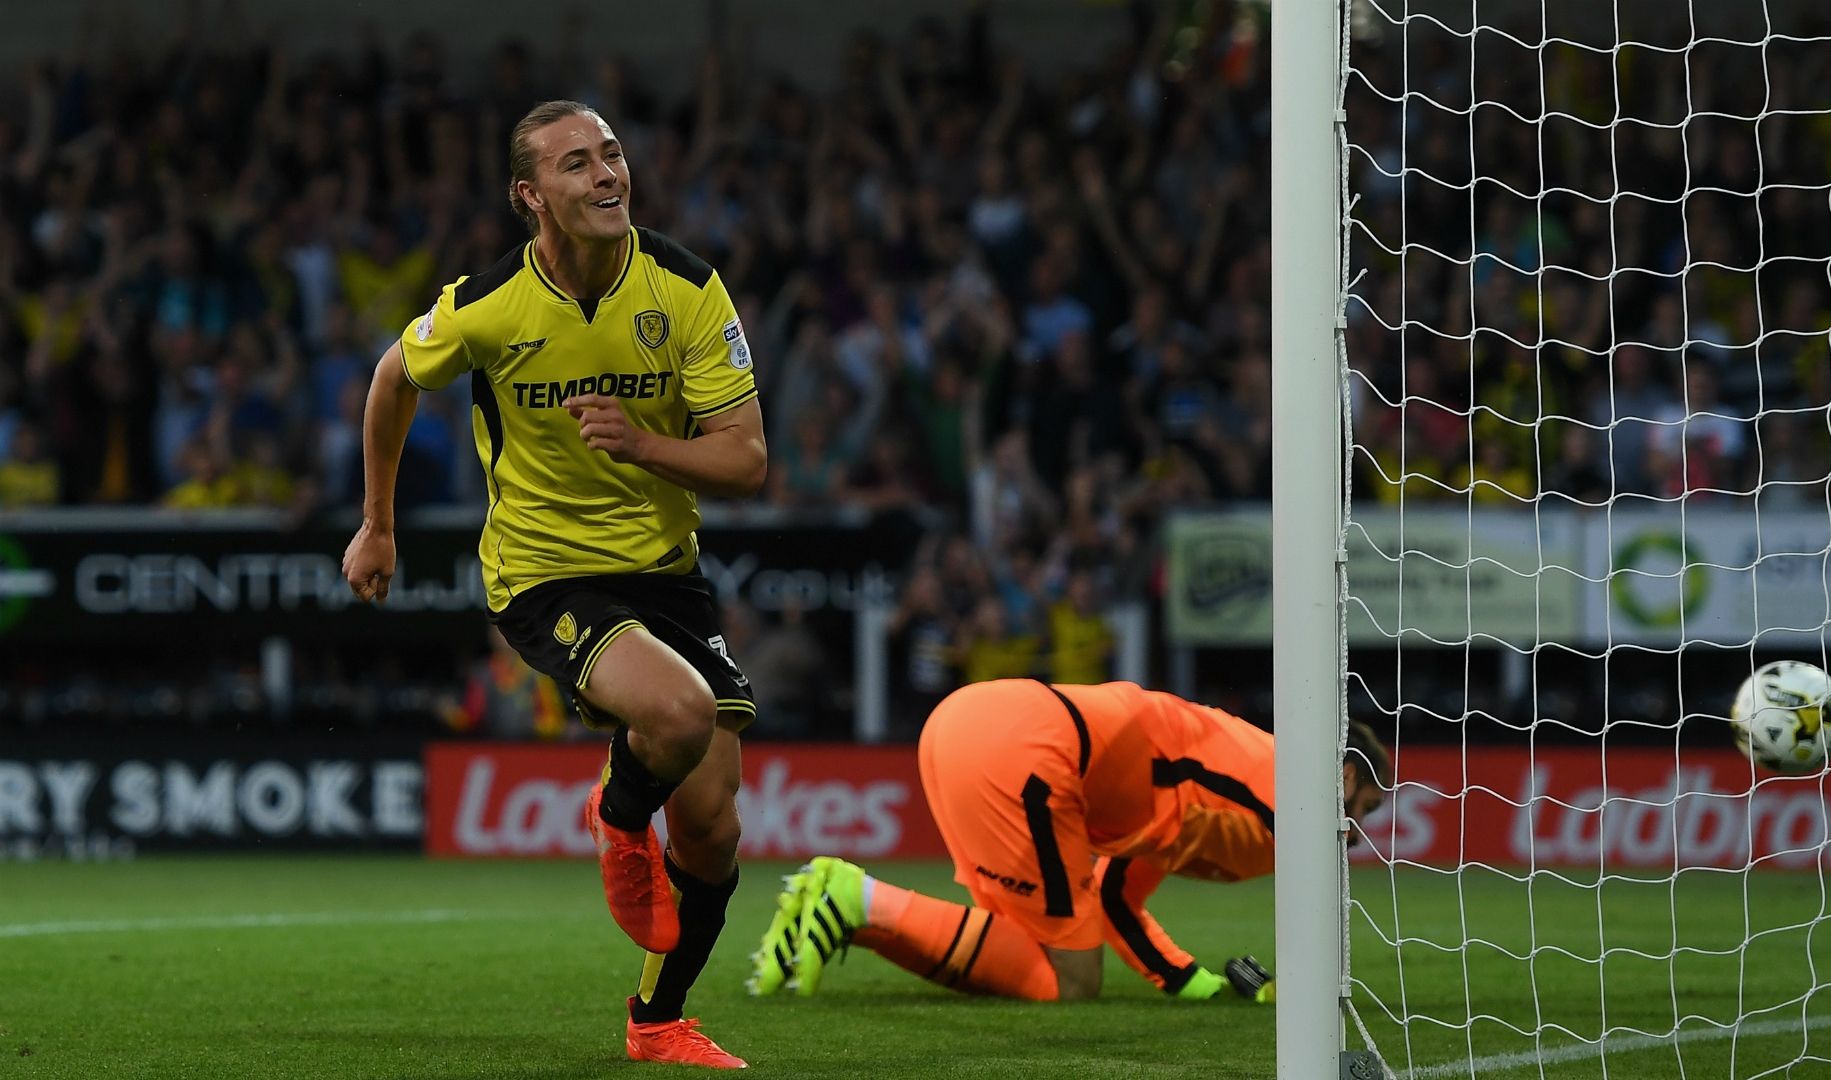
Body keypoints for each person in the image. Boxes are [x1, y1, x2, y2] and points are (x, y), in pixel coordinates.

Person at [342, 100, 766, 1069]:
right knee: (678, 713)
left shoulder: (689, 290)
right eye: (577, 164)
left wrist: (640, 441)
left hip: (665, 573)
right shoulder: (488, 303)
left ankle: (658, 1022)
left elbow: (745, 463)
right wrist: (377, 524)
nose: (607, 175)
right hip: (543, 571)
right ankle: (617, 818)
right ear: (531, 194)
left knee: (710, 829)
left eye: (612, 155)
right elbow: (391, 379)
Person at [748, 679, 1390, 1002]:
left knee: (1023, 954)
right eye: (1364, 808)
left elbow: (1115, 899)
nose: (1358, 832)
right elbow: (1305, 852)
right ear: (1345, 775)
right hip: (1028, 748)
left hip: (967, 723)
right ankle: (857, 896)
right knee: (1070, 980)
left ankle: (842, 917)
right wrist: (1305, 989)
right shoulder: (1276, 767)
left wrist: (1199, 985)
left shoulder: (1194, 807)